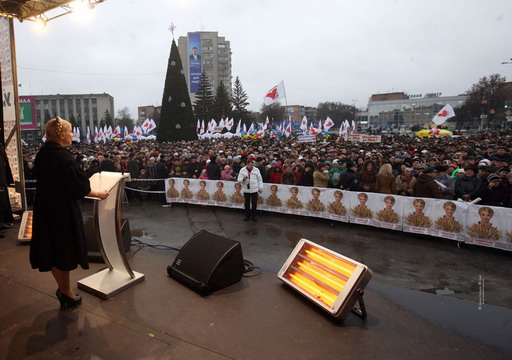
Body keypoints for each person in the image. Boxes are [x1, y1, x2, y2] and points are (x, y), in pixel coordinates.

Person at [30, 117, 109, 310]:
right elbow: (79, 187)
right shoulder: (64, 157)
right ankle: (66, 293)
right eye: (71, 131)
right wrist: (98, 193)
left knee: (52, 249)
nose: (73, 134)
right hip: (61, 212)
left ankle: (63, 288)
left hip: (45, 208)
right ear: (62, 134)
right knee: (62, 252)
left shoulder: (43, 153)